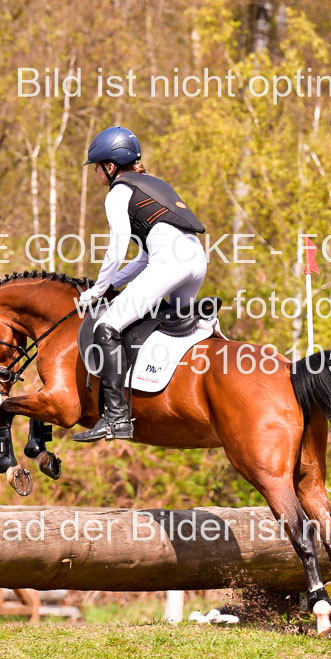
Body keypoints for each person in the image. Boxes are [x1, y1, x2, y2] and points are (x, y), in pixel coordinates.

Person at [73, 126, 208, 443]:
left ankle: (116, 418)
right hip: (196, 262)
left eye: (96, 167)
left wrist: (96, 290)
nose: (96, 175)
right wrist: (110, 285)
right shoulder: (155, 184)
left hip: (170, 264)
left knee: (106, 327)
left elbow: (116, 250)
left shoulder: (119, 191)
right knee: (159, 320)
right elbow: (144, 258)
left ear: (109, 166)